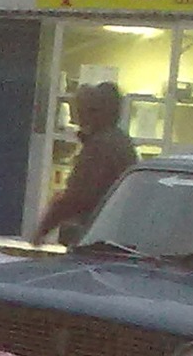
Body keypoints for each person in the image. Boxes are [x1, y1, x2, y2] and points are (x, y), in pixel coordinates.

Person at [32, 81, 137, 246]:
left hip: (96, 237)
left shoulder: (100, 147)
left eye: (83, 110)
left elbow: (77, 196)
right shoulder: (120, 141)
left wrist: (43, 229)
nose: (78, 117)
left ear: (97, 113)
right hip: (115, 233)